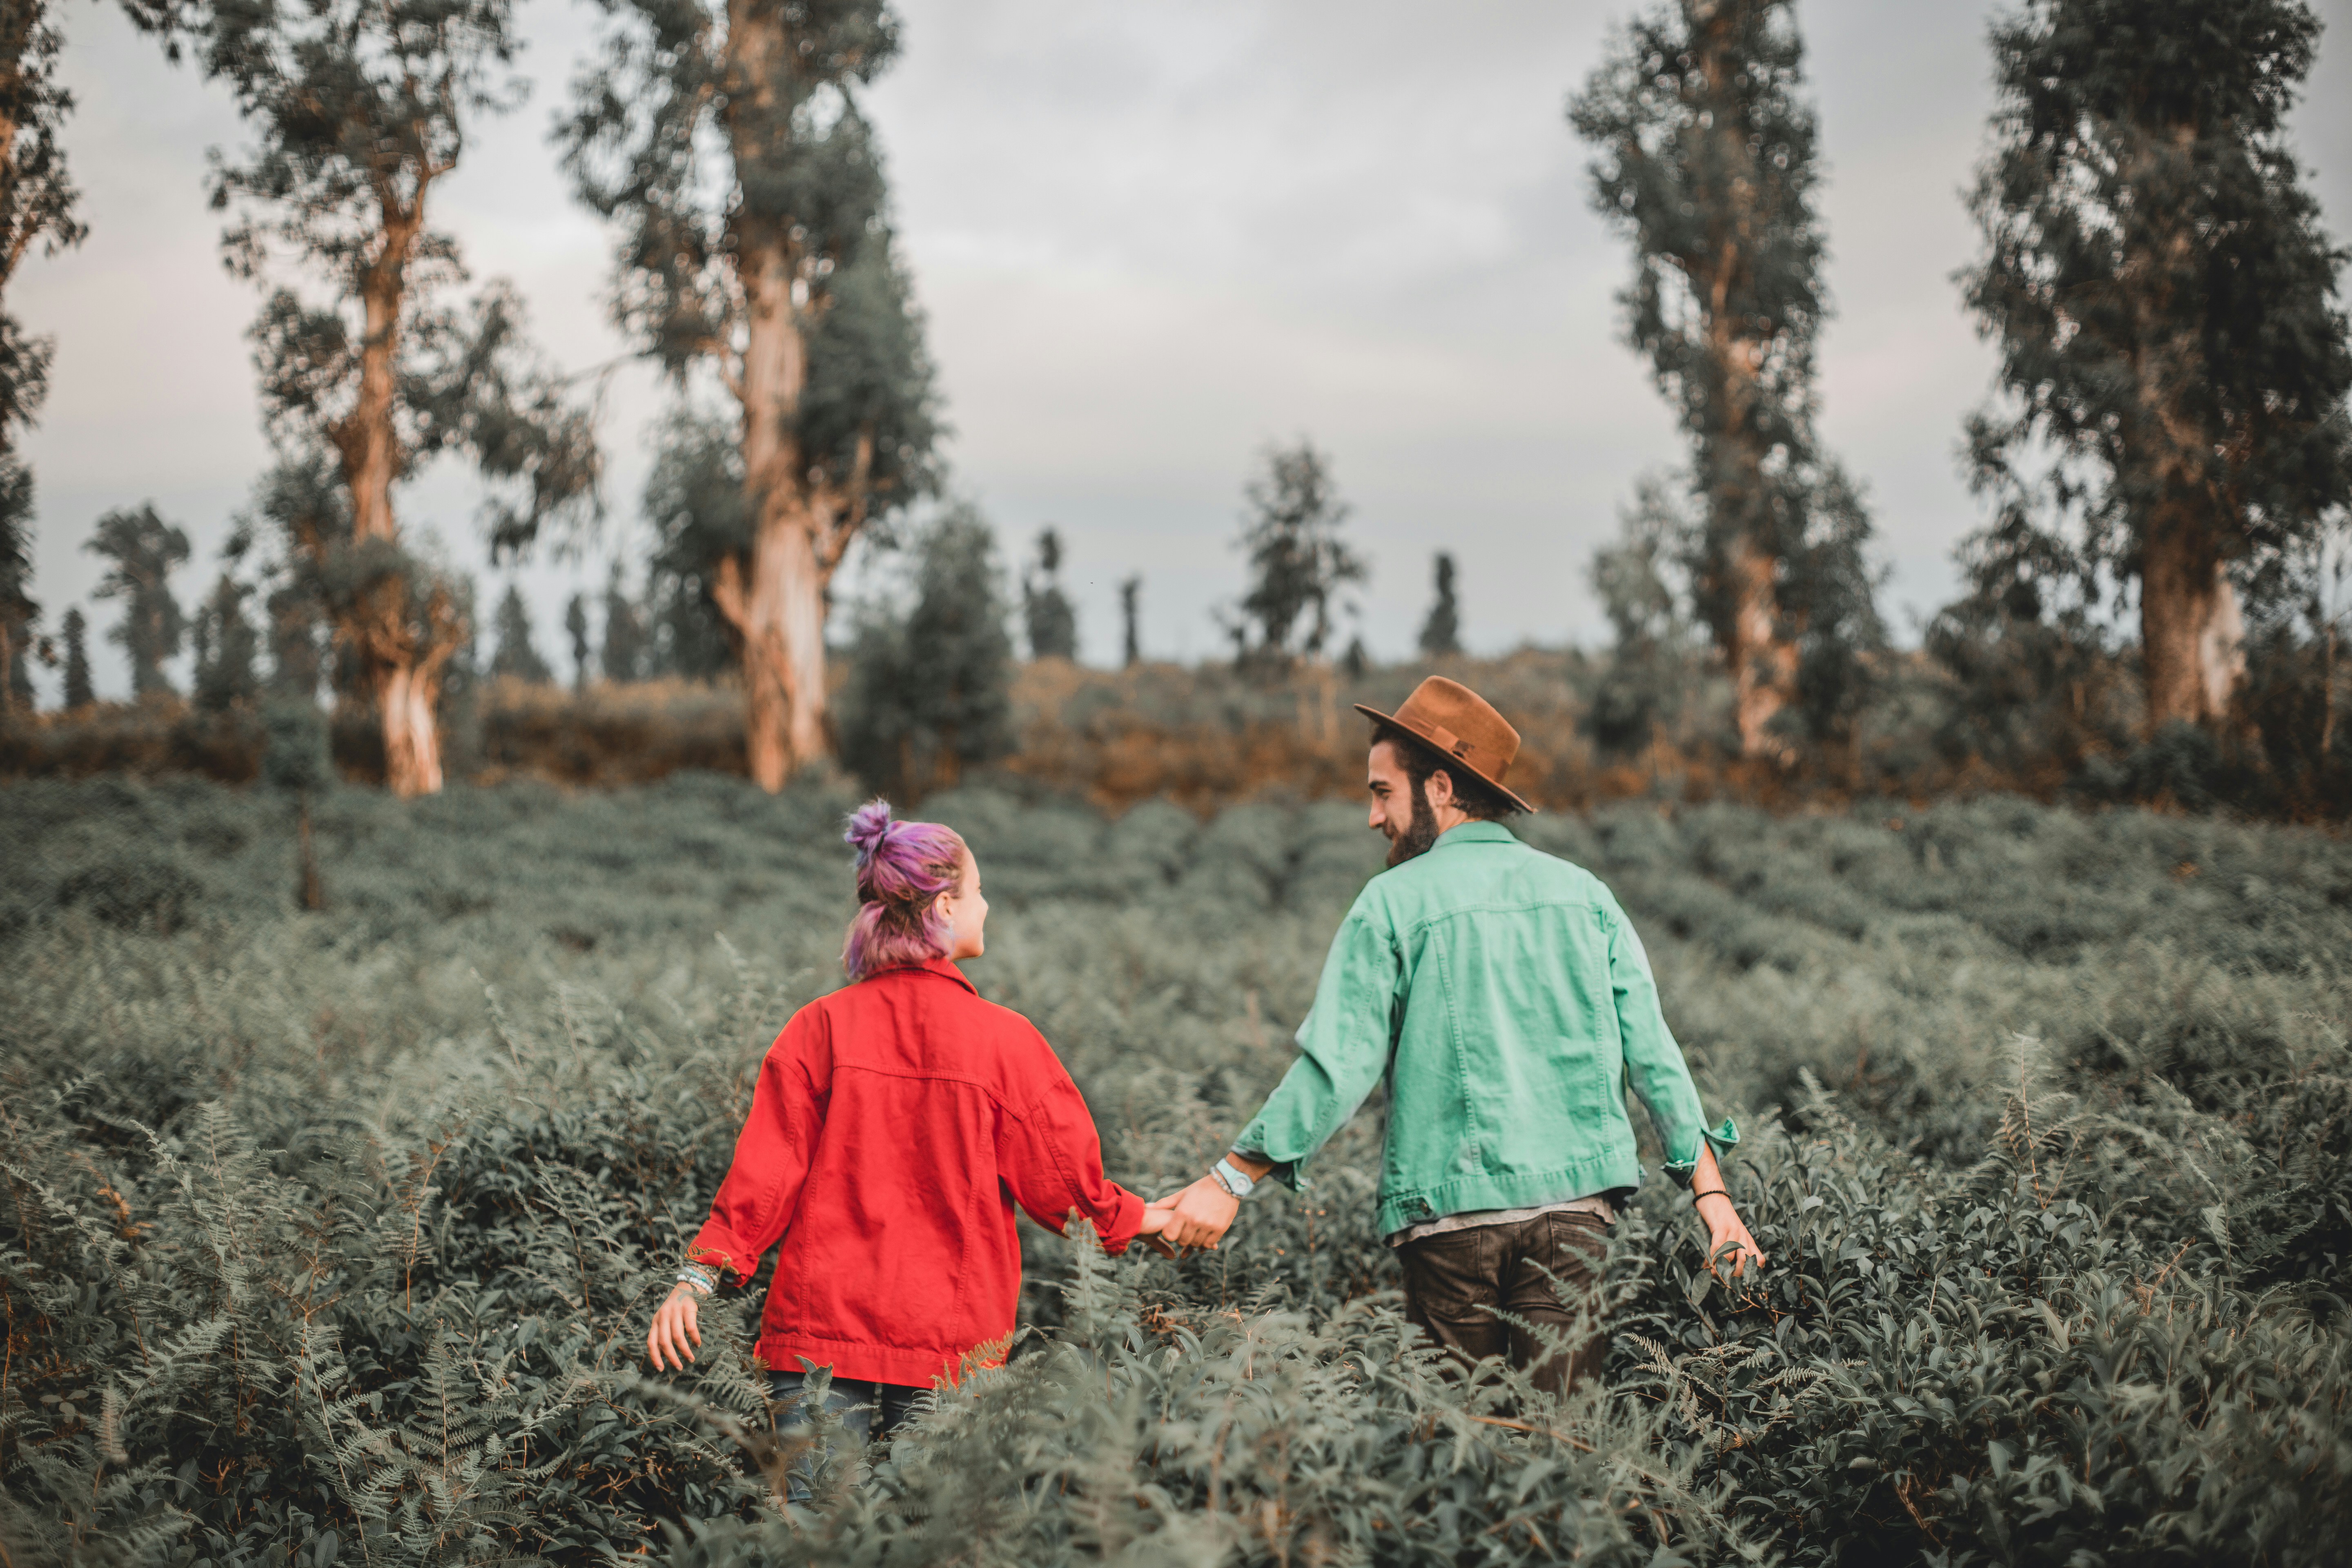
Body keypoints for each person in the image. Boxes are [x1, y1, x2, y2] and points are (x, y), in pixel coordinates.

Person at [1147, 676, 1764, 1396]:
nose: (1370, 816)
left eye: (1383, 792)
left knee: (1461, 1457)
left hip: (1450, 1227)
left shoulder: (1391, 903)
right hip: (1574, 1223)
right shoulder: (1585, 895)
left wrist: (1230, 1181)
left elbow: (1338, 1068)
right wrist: (1712, 1198)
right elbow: (1654, 1054)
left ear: (1439, 788)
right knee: (1560, 1457)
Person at [646, 800, 1170, 1466]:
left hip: (817, 1340)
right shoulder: (1006, 1043)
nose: (987, 907)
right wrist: (1149, 1218)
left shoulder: (819, 1027)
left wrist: (696, 1279)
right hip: (954, 1346)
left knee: (817, 1539)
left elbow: (765, 1176)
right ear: (945, 906)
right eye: (978, 892)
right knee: (941, 1541)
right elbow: (1068, 1187)